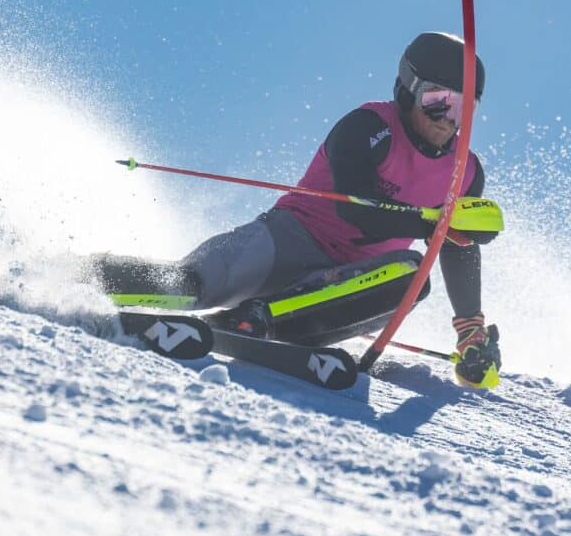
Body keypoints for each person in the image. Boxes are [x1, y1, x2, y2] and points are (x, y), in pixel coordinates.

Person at [92, 32, 502, 388]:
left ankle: (256, 321)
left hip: (345, 289)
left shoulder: (464, 173)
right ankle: (77, 275)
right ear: (409, 89)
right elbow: (357, 210)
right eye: (437, 102)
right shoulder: (369, 126)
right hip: (289, 239)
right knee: (189, 285)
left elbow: (455, 244)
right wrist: (430, 219)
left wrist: (470, 329)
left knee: (413, 276)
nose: (448, 120)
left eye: (463, 109)